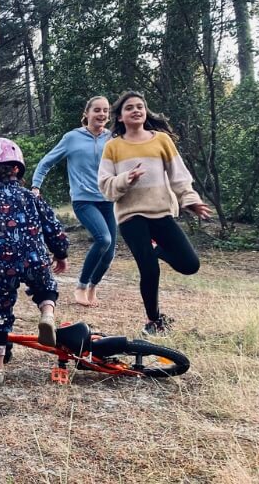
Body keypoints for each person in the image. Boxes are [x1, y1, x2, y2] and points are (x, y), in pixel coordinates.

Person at [0, 138, 69, 386]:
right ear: (16, 169)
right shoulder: (31, 197)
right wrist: (60, 253)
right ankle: (47, 314)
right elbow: (53, 227)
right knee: (45, 289)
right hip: (35, 260)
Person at [98, 91, 211, 336]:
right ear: (120, 117)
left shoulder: (161, 140)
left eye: (140, 106)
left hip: (160, 212)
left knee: (190, 264)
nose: (136, 110)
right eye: (130, 108)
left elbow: (179, 176)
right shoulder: (113, 147)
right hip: (131, 216)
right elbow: (105, 186)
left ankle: (158, 251)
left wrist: (190, 201)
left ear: (146, 111)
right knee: (149, 270)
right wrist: (126, 179)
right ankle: (154, 320)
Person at [31, 96, 115, 307]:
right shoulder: (72, 138)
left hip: (108, 199)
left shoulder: (113, 138)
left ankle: (92, 287)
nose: (102, 114)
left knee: (110, 252)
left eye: (106, 110)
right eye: (97, 110)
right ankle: (80, 286)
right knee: (103, 240)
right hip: (84, 200)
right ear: (86, 113)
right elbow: (46, 162)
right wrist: (35, 185)